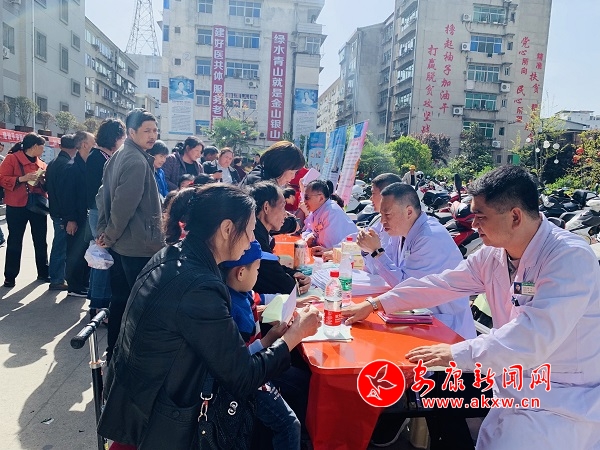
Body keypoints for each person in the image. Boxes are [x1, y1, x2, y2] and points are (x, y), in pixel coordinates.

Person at [343, 165, 600, 450]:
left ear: (515, 216)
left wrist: (453, 354)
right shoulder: (493, 255)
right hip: (513, 384)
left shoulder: (568, 258)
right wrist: (376, 303)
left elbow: (532, 337)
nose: (474, 225)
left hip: (562, 401)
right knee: (435, 390)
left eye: (480, 216)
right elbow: (440, 284)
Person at [97, 184, 321, 449]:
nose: (252, 240)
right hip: (162, 420)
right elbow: (243, 376)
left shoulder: (174, 256)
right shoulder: (199, 286)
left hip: (140, 404)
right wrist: (295, 335)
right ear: (227, 229)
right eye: (250, 231)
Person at [357, 182, 474, 339]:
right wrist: (368, 250)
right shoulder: (400, 233)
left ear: (409, 212)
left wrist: (376, 252)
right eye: (381, 215)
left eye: (387, 215)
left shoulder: (429, 237)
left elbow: (406, 288)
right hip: (419, 317)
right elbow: (382, 271)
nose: (382, 222)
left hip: (447, 327)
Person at [96, 109, 163, 363]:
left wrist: (105, 232)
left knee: (120, 301)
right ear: (131, 132)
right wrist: (109, 235)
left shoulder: (120, 154)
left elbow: (102, 197)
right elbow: (123, 205)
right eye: (146, 130)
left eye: (155, 130)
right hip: (137, 246)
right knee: (138, 306)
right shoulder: (135, 160)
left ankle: (114, 351)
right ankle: (128, 357)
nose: (152, 135)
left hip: (123, 244)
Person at [222, 240, 301, 450]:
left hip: (260, 361)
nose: (258, 275)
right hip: (250, 378)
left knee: (302, 382)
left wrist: (290, 300)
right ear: (241, 273)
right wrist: (271, 340)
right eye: (257, 269)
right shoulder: (235, 311)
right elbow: (242, 361)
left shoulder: (242, 292)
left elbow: (259, 299)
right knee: (289, 425)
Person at [86, 118, 126, 317]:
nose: (124, 141)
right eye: (123, 136)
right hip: (100, 213)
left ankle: (96, 303)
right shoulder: (98, 158)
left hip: (100, 212)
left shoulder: (102, 156)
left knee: (100, 258)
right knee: (103, 260)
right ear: (114, 137)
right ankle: (99, 306)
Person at [0, 133, 49, 287]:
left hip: (37, 205)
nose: (43, 150)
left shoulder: (41, 163)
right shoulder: (12, 159)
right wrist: (22, 178)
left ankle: (43, 272)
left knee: (41, 240)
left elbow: (46, 186)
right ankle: (10, 276)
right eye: (42, 147)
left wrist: (42, 181)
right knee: (15, 241)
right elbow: (2, 178)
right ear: (34, 146)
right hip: (16, 205)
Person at [247, 181, 311, 296]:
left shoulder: (259, 231)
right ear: (266, 207)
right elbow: (284, 286)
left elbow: (272, 268)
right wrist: (298, 282)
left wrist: (294, 274)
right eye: (282, 207)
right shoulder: (254, 237)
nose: (286, 214)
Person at [241, 141, 306, 234]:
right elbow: (266, 220)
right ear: (281, 167)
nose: (293, 177)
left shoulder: (259, 173)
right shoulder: (263, 185)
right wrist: (292, 225)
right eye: (293, 172)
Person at [61, 131, 95, 297]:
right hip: (75, 218)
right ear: (84, 145)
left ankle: (83, 283)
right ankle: (74, 287)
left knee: (84, 251)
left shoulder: (87, 164)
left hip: (85, 216)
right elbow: (67, 196)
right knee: (75, 252)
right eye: (93, 142)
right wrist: (70, 219)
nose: (95, 145)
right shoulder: (72, 167)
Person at [46, 134, 77, 291]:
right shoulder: (67, 164)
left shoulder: (53, 162)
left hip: (55, 209)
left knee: (59, 245)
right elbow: (66, 194)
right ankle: (57, 279)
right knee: (60, 247)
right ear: (76, 147)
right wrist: (70, 218)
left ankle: (57, 276)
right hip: (62, 213)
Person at [300, 179, 357, 257]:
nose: (304, 201)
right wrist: (309, 237)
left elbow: (326, 246)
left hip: (345, 258)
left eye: (306, 197)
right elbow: (308, 230)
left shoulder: (331, 212)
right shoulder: (316, 211)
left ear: (321, 198)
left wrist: (313, 239)